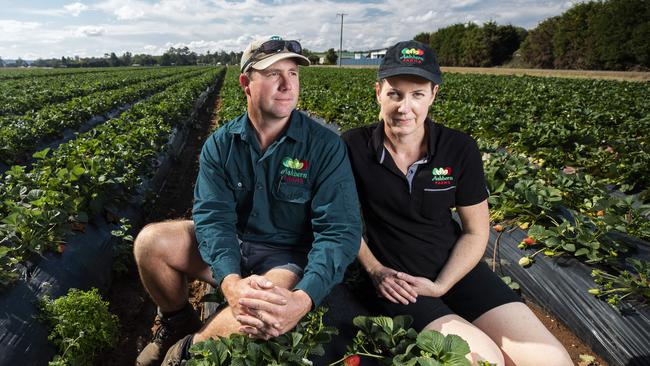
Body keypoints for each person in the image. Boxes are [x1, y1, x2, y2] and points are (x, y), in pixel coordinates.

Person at [133, 35, 362, 366]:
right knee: (150, 242)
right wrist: (230, 281)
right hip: (234, 248)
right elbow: (213, 219)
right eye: (273, 74)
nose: (287, 84)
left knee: (260, 308)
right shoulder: (220, 145)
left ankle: (182, 354)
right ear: (246, 83)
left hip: (286, 258)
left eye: (293, 73)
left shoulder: (324, 146)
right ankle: (176, 323)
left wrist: (304, 297)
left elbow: (339, 232)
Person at [341, 40, 572, 366]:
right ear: (378, 91)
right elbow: (341, 220)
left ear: (434, 94)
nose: (404, 107)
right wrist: (376, 271)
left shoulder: (459, 148)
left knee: (552, 361)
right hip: (398, 282)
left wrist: (441, 284)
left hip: (456, 271)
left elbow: (476, 231)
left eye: (417, 94)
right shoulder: (353, 146)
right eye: (395, 93)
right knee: (482, 359)